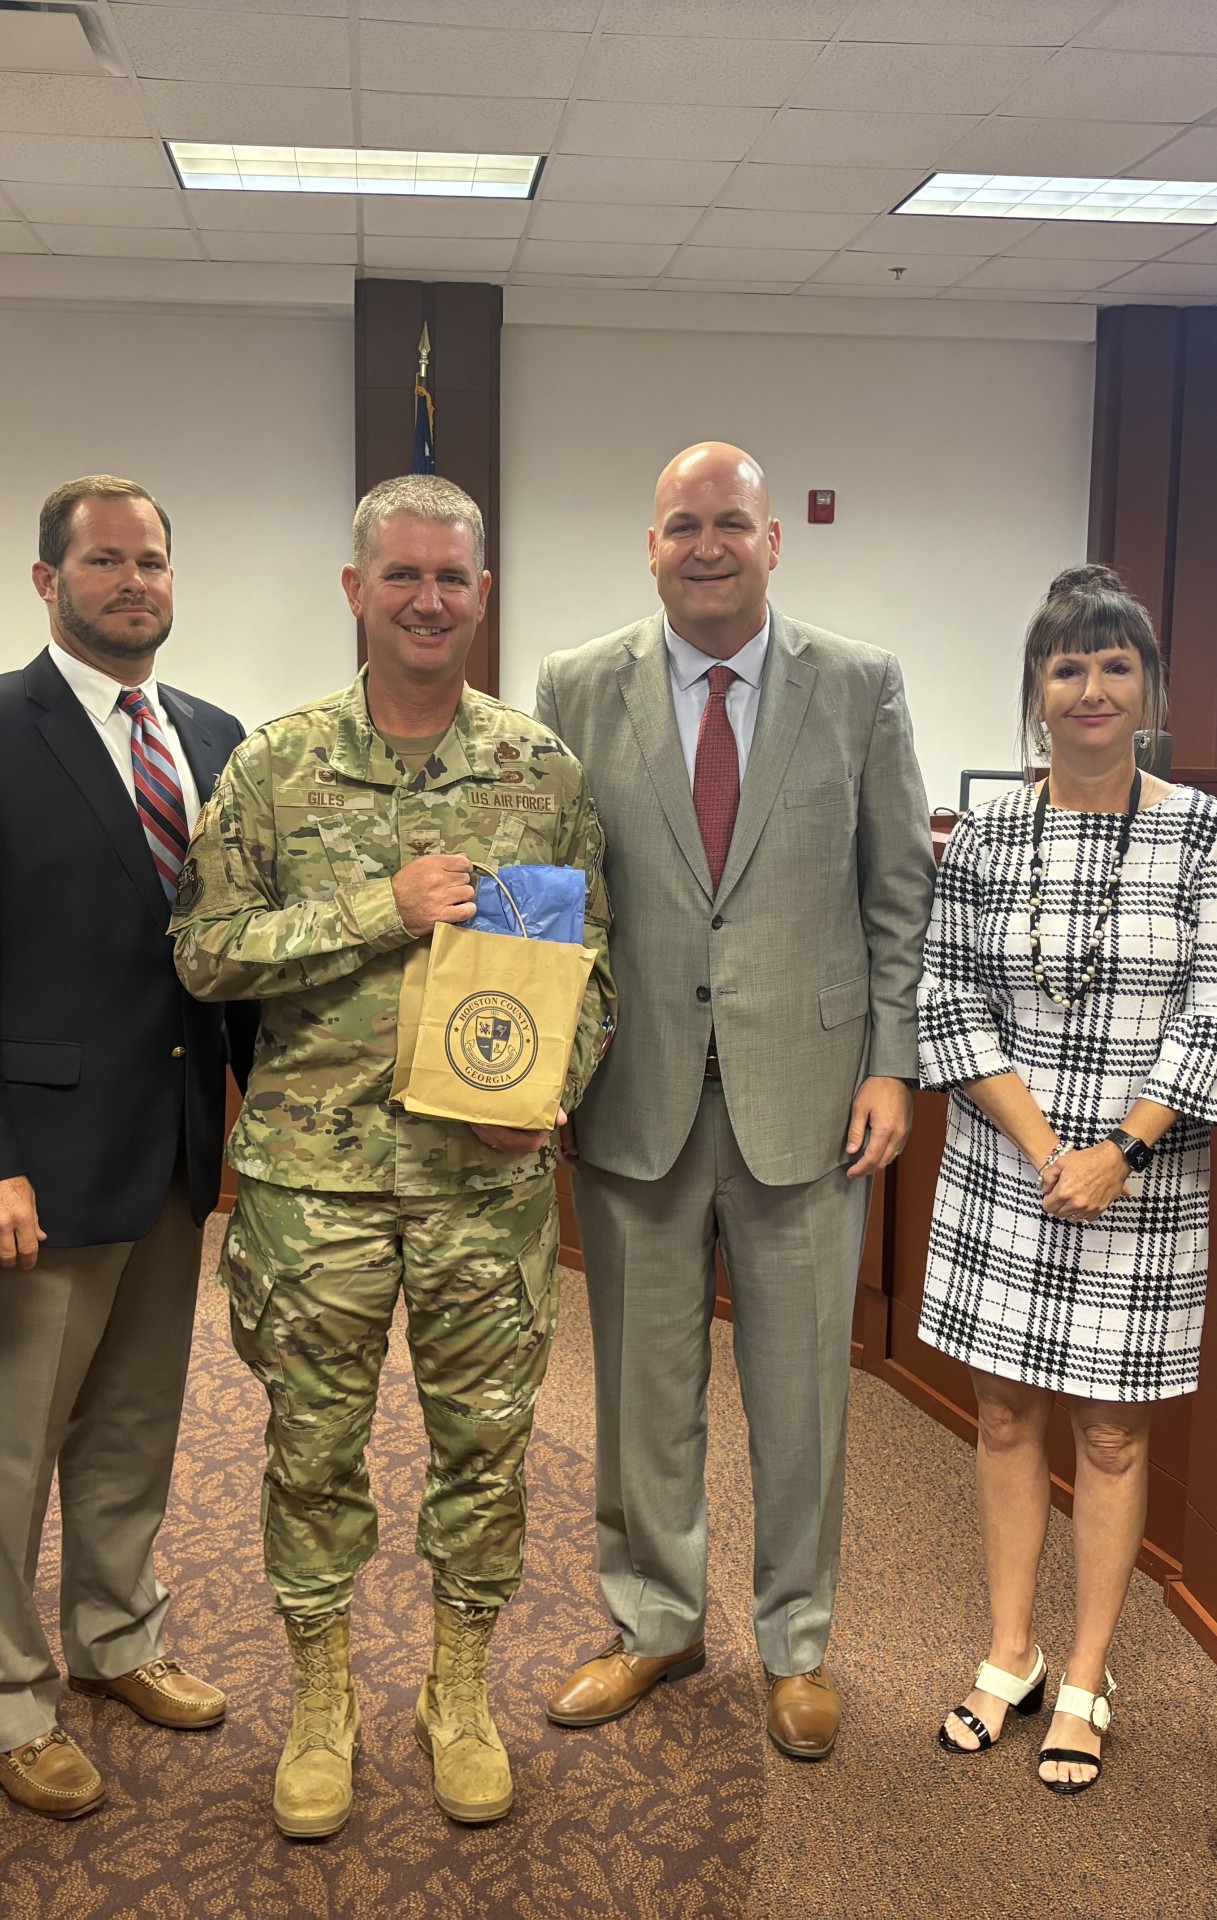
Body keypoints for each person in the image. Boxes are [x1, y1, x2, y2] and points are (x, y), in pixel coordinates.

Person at [170, 473, 614, 1840]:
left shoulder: (539, 770)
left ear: (483, 595)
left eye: (455, 580)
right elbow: (200, 952)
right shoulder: (274, 764)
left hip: (487, 1185)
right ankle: (322, 1701)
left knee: (487, 1449)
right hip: (319, 1189)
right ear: (356, 590)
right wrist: (377, 907)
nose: (430, 600)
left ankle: (456, 1692)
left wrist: (548, 1095)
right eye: (405, 576)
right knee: (313, 1452)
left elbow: (595, 979)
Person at [534, 441, 933, 1760]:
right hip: (632, 1097)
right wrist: (531, 1061)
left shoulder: (859, 686)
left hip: (811, 1105)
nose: (708, 546)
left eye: (732, 525)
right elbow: (548, 886)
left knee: (803, 1393)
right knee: (643, 1393)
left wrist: (889, 1063)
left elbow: (896, 895)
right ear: (649, 547)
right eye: (682, 525)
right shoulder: (574, 687)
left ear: (776, 543)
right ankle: (653, 1622)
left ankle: (799, 1639)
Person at [0, 476, 257, 1820]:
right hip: (31, 1171)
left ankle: (116, 1637)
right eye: (104, 561)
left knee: (132, 1427)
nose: (133, 584)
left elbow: (224, 953)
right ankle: (4, 1695)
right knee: (8, 1444)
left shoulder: (215, 736)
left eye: (153, 561)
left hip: (172, 1152)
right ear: (45, 578)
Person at [914, 566, 1217, 1791]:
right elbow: (947, 1000)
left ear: (1150, 688)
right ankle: (1007, 1652)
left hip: (1141, 1179)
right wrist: (1042, 1148)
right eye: (1067, 667)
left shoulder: (1203, 832)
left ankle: (1085, 1672)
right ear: (1035, 692)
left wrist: (1117, 1151)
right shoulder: (990, 832)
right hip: (1006, 1168)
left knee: (1111, 1437)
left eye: (1115, 666)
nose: (1091, 688)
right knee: (1004, 1413)